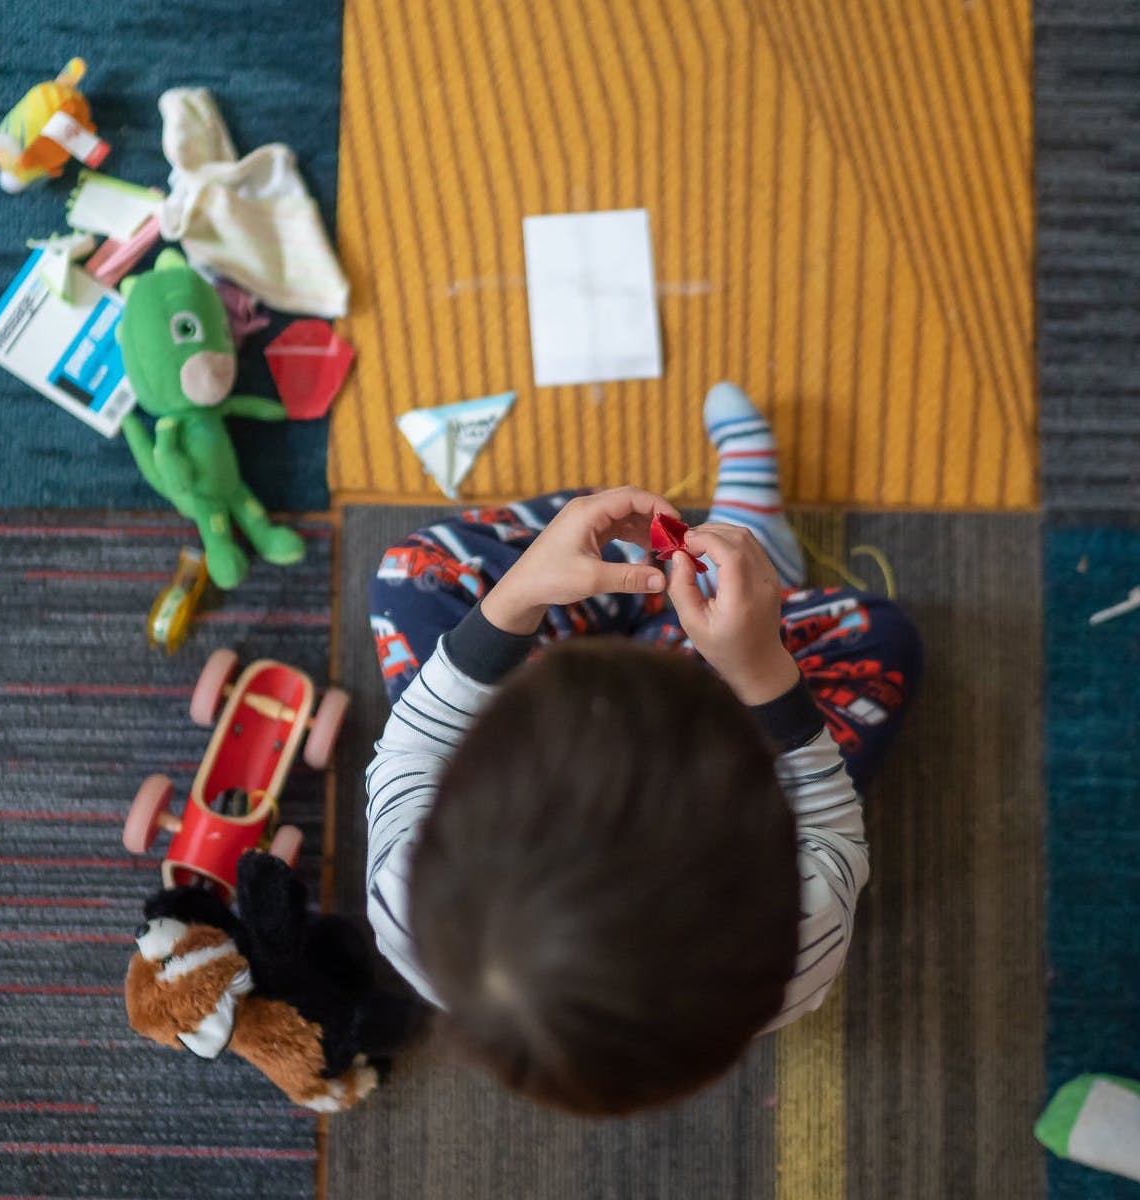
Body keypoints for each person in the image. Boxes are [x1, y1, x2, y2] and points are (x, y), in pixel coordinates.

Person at [364, 383, 922, 1115]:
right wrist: (761, 674)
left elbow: (414, 744)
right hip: (715, 675)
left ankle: (655, 586)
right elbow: (830, 827)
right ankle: (741, 583)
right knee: (881, 640)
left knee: (416, 574)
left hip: (559, 651)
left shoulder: (407, 900)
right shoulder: (796, 941)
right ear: (758, 847)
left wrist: (517, 597)